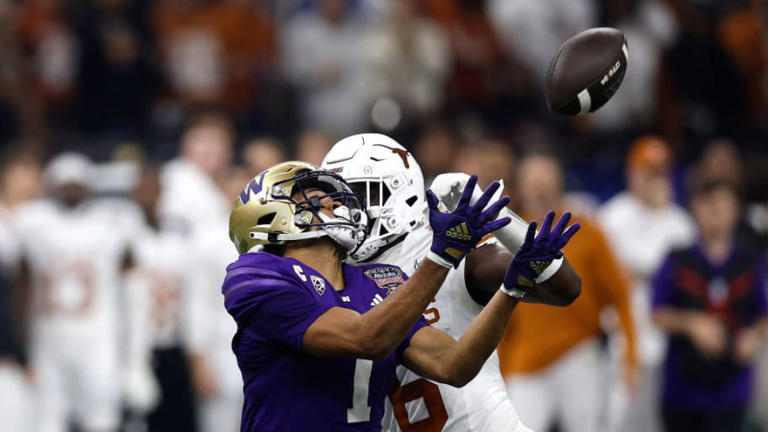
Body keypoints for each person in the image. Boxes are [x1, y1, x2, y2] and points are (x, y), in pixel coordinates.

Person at [223, 160, 578, 431]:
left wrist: (510, 289)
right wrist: (442, 256)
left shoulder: (378, 281)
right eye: (318, 199)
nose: (336, 204)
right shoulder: (256, 275)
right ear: (273, 217)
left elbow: (453, 365)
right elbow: (365, 337)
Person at [322, 133, 582, 431]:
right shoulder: (330, 272)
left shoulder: (445, 244)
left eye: (360, 195)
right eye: (338, 200)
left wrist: (498, 216)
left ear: (400, 192)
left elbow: (565, 289)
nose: (347, 211)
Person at [499, 152, 637, 432]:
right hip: (524, 360)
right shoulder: (503, 237)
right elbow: (496, 310)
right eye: (532, 182)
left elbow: (620, 296)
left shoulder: (586, 231)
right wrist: (495, 367)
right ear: (520, 188)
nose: (539, 189)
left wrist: (631, 358)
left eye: (545, 182)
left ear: (560, 185)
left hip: (578, 352)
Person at [13, 152, 144, 432]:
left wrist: (132, 353)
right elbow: (22, 280)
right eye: (64, 184)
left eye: (76, 183)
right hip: (50, 334)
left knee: (101, 413)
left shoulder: (111, 222)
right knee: (48, 415)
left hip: (98, 333)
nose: (71, 190)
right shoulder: (33, 222)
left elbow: (132, 277)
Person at [652, 178, 768, 431]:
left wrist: (754, 337)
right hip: (682, 390)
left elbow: (763, 314)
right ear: (695, 209)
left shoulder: (750, 263)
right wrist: (691, 324)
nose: (716, 212)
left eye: (723, 205)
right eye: (708, 204)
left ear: (736, 210)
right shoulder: (677, 260)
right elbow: (657, 313)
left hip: (732, 389)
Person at [598, 136, 695, 432]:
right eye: (645, 172)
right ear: (631, 172)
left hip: (665, 339)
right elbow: (602, 278)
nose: (650, 180)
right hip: (617, 337)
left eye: (658, 172)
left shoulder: (679, 222)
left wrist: (637, 271)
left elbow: (683, 279)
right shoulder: (613, 215)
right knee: (613, 420)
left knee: (655, 423)